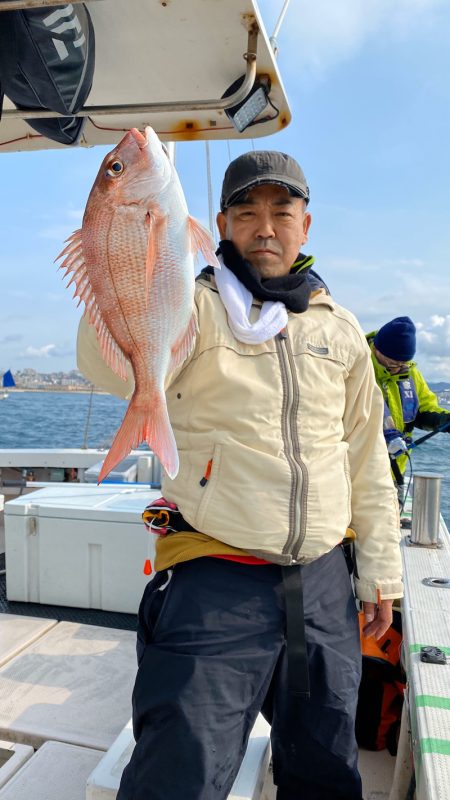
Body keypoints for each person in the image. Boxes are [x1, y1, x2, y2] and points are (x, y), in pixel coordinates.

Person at [78, 150, 403, 800]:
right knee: (180, 778)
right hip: (213, 582)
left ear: (304, 225)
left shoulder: (338, 330)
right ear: (220, 223)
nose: (265, 227)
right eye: (247, 212)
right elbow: (103, 365)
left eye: (281, 212)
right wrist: (116, 250)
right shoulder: (192, 307)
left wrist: (381, 575)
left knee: (325, 771)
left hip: (320, 586)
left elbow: (365, 459)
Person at [367, 316, 450, 499]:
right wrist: (384, 436)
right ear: (376, 349)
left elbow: (422, 411)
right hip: (363, 472)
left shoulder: (411, 373)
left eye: (401, 364)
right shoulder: (358, 366)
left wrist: (443, 420)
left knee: (390, 518)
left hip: (396, 470)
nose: (396, 368)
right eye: (392, 363)